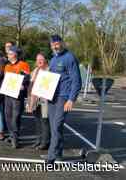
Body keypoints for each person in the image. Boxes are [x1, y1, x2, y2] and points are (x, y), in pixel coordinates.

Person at [42, 35, 82, 164]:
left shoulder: (70, 57)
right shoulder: (53, 59)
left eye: (57, 43)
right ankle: (57, 153)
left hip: (63, 98)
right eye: (53, 44)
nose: (55, 46)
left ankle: (50, 158)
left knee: (56, 126)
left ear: (62, 43)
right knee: (55, 127)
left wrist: (71, 99)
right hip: (52, 97)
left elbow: (77, 80)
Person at [3, 46, 30, 148]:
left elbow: (27, 78)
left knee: (16, 116)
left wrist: (23, 84)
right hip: (8, 94)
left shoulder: (23, 65)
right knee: (8, 116)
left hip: (18, 96)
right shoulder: (7, 66)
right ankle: (12, 135)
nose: (8, 55)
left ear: (15, 54)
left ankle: (15, 138)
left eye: (9, 54)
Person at [27, 53, 51, 150]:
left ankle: (45, 142)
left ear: (45, 60)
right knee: (37, 121)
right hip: (35, 99)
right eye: (37, 59)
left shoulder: (50, 71)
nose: (39, 61)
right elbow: (30, 85)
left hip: (45, 99)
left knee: (44, 121)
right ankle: (38, 140)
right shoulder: (35, 71)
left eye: (41, 59)